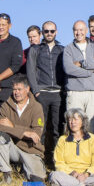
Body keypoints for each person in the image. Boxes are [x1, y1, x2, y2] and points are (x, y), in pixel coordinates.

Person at [0, 80, 47, 183]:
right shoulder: (5, 105)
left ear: (27, 89)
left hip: (30, 149)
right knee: (0, 136)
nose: (16, 92)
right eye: (14, 89)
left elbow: (36, 134)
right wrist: (25, 133)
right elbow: (0, 127)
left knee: (37, 179)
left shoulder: (37, 107)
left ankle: (24, 169)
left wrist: (13, 126)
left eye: (19, 89)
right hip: (12, 147)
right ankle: (6, 174)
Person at [27, 21, 65, 164]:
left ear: (56, 32)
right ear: (42, 33)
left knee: (56, 128)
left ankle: (56, 160)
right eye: (46, 31)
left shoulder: (62, 49)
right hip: (42, 93)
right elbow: (30, 71)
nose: (49, 34)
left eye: (52, 31)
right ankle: (38, 159)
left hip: (58, 94)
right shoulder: (36, 49)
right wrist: (36, 91)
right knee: (40, 128)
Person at [48, 109, 94, 186]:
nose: (72, 122)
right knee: (54, 175)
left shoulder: (93, 139)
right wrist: (73, 173)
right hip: (68, 175)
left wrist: (86, 174)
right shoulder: (62, 139)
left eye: (75, 119)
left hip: (87, 176)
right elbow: (58, 163)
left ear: (83, 121)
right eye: (70, 120)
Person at [63, 20, 94, 134]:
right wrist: (89, 72)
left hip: (92, 93)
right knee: (74, 127)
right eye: (76, 30)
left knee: (92, 126)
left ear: (86, 31)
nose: (79, 32)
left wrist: (82, 63)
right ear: (73, 31)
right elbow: (69, 68)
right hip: (75, 93)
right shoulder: (68, 49)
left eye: (81, 30)